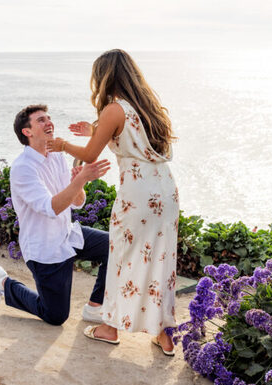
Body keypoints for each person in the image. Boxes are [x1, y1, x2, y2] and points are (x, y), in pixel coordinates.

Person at [48, 49, 179, 355]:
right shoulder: (150, 108)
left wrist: (63, 145)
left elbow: (91, 155)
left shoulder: (113, 109)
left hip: (138, 194)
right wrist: (95, 131)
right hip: (165, 191)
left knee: (122, 254)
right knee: (161, 258)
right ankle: (164, 334)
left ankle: (110, 328)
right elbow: (133, 140)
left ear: (105, 76)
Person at [0, 104, 112, 326]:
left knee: (115, 245)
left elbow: (77, 202)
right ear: (27, 132)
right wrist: (82, 178)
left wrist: (77, 183)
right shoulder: (23, 168)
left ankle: (95, 307)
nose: (49, 122)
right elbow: (51, 207)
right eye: (41, 120)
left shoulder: (56, 156)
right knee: (55, 316)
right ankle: (3, 283)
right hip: (45, 249)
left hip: (68, 235)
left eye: (49, 118)